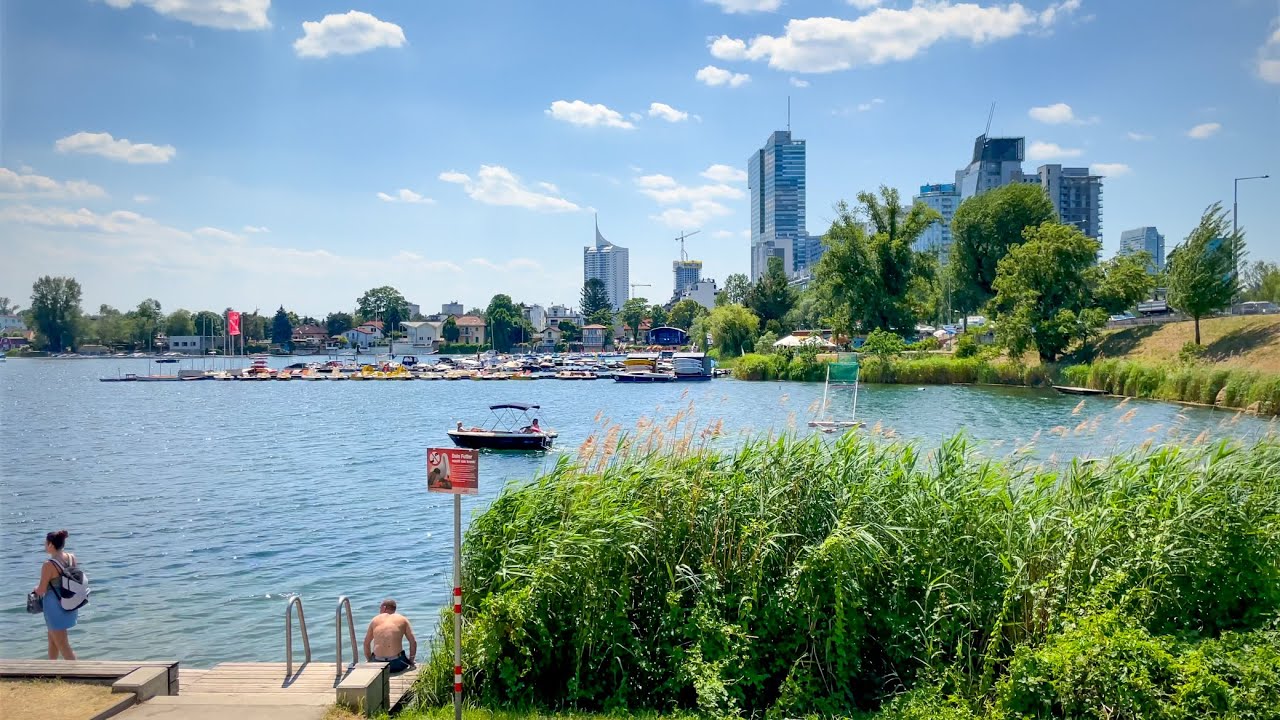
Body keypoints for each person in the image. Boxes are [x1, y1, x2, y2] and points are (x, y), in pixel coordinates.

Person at [33, 530, 77, 660]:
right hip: (68, 602)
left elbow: (41, 590)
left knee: (63, 645)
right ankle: (52, 671)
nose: (44, 546)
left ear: (51, 545)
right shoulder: (71, 558)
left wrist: (35, 589)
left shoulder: (48, 565)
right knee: (53, 641)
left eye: (45, 543)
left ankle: (77, 674)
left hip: (54, 607)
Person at [363, 598, 416, 673]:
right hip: (397, 664)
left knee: (373, 655)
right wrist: (411, 660)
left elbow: (366, 643)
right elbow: (413, 642)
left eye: (380, 607)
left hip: (377, 664)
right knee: (404, 656)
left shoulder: (375, 620)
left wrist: (369, 661)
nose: (379, 610)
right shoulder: (403, 619)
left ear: (384, 608)